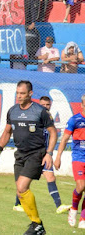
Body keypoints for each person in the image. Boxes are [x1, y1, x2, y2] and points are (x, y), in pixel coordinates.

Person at [0, 81, 57, 235]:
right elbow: (7, 132)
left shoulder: (40, 112)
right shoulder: (12, 111)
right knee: (21, 192)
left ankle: (36, 224)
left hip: (36, 154)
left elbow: (53, 133)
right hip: (20, 154)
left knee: (22, 187)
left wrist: (49, 153)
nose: (19, 96)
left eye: (22, 93)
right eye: (17, 93)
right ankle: (37, 224)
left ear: (30, 94)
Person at [13, 96, 71, 214]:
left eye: (48, 105)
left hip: (44, 155)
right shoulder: (34, 118)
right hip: (32, 155)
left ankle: (59, 206)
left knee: (50, 178)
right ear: (39, 105)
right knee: (23, 182)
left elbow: (52, 137)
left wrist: (50, 153)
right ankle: (17, 204)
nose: (45, 107)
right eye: (43, 105)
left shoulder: (49, 121)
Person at [54, 94, 85, 229]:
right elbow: (65, 139)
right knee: (81, 186)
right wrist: (58, 156)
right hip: (79, 158)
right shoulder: (75, 120)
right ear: (82, 105)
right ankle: (73, 209)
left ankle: (83, 219)